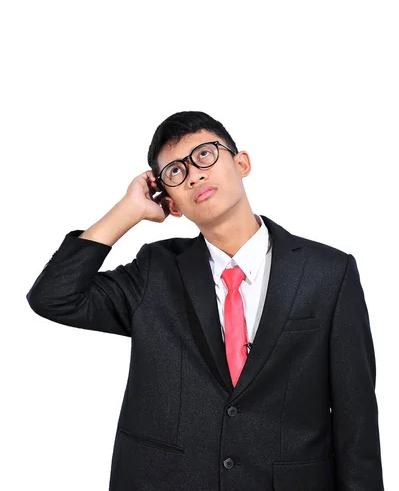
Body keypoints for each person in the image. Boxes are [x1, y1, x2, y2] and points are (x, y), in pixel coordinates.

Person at [26, 110, 385, 491]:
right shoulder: (155, 271)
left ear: (242, 163)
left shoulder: (329, 272)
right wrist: (128, 210)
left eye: (204, 155)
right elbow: (54, 296)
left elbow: (356, 417)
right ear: (173, 204)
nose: (194, 174)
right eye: (176, 173)